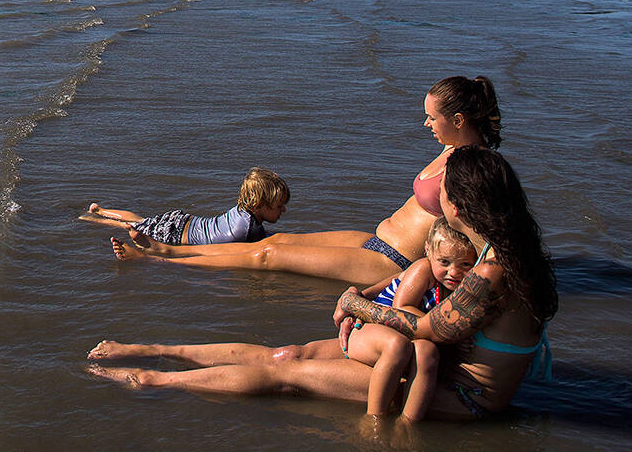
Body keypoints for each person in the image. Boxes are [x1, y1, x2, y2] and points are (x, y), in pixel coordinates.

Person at [88, 146, 557, 421]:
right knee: (287, 354)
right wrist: (374, 297)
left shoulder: (497, 266)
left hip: (461, 395)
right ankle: (157, 349)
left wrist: (358, 305)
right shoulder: (508, 247)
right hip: (439, 367)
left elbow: (431, 330)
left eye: (444, 191)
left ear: (461, 202)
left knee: (285, 374)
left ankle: (152, 380)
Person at [109, 75, 500, 288]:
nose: (427, 124)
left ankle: (164, 256)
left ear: (460, 120)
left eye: (433, 118)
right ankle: (169, 251)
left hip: (390, 261)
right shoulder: (453, 151)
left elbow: (483, 232)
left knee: (268, 257)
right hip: (376, 239)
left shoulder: (475, 168)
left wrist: (479, 283)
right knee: (272, 241)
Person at [343, 216, 476, 420]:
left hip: (400, 337)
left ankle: (408, 423)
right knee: (396, 345)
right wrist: (447, 332)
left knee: (427, 351)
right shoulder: (423, 270)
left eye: (465, 264)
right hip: (367, 328)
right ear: (428, 252)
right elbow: (402, 308)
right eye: (444, 262)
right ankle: (373, 418)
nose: (454, 272)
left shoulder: (459, 286)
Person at [80, 167, 289, 246]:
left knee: (139, 220)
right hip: (176, 234)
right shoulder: (244, 231)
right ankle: (89, 219)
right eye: (279, 206)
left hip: (183, 220)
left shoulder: (242, 211)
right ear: (258, 204)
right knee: (132, 226)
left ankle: (98, 211)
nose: (283, 210)